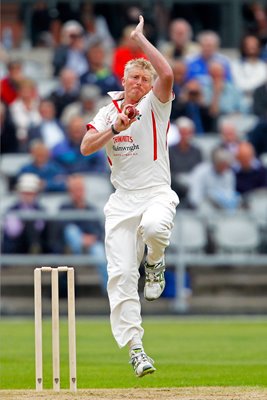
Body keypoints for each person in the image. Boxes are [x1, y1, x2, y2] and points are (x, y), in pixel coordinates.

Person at [80, 16, 179, 377]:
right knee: (120, 276)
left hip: (155, 193)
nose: (139, 83)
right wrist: (115, 127)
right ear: (123, 80)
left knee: (155, 226)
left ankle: (155, 261)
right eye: (133, 77)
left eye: (144, 78)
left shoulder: (157, 104)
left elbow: (167, 74)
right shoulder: (108, 110)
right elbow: (86, 146)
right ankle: (137, 351)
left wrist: (139, 39)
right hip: (121, 201)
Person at [57, 174, 108, 293]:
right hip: (70, 246)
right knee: (71, 230)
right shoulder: (64, 208)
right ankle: (79, 250)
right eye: (74, 190)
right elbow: (61, 229)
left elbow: (98, 231)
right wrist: (81, 239)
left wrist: (89, 239)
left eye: (79, 189)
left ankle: (107, 291)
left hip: (91, 244)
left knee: (100, 254)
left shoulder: (91, 209)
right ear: (70, 192)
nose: (78, 193)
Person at [2, 173, 50, 254]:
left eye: (30, 193)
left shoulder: (41, 209)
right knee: (28, 222)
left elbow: (40, 228)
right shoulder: (12, 210)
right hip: (17, 246)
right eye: (25, 192)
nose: (27, 196)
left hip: (37, 241)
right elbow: (13, 232)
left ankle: (35, 249)